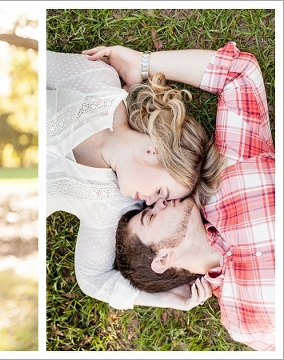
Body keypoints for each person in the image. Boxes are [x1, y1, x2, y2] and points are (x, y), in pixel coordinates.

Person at [111, 42, 275, 351]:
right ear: (163, 259)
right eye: (148, 215)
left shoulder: (223, 181)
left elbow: (239, 74)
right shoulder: (241, 321)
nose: (154, 201)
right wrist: (159, 300)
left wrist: (141, 64)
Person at [46, 48, 224, 310]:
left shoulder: (112, 208)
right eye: (161, 192)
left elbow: (92, 279)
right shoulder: (97, 81)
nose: (151, 202)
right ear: (153, 152)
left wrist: (166, 299)